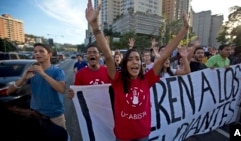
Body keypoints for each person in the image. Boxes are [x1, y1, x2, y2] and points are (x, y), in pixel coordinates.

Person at [85, 0, 189, 140]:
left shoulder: (147, 79)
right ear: (124, 64)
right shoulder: (117, 80)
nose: (135, 62)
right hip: (123, 136)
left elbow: (165, 54)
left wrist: (184, 29)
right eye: (130, 59)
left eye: (138, 59)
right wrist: (95, 27)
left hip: (143, 135)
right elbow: (109, 57)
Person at [7, 43, 67, 130]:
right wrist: (23, 78)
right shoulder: (32, 72)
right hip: (35, 116)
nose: (37, 53)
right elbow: (9, 92)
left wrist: (43, 73)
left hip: (55, 116)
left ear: (49, 54)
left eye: (41, 51)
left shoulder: (58, 71)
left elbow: (62, 89)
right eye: (35, 52)